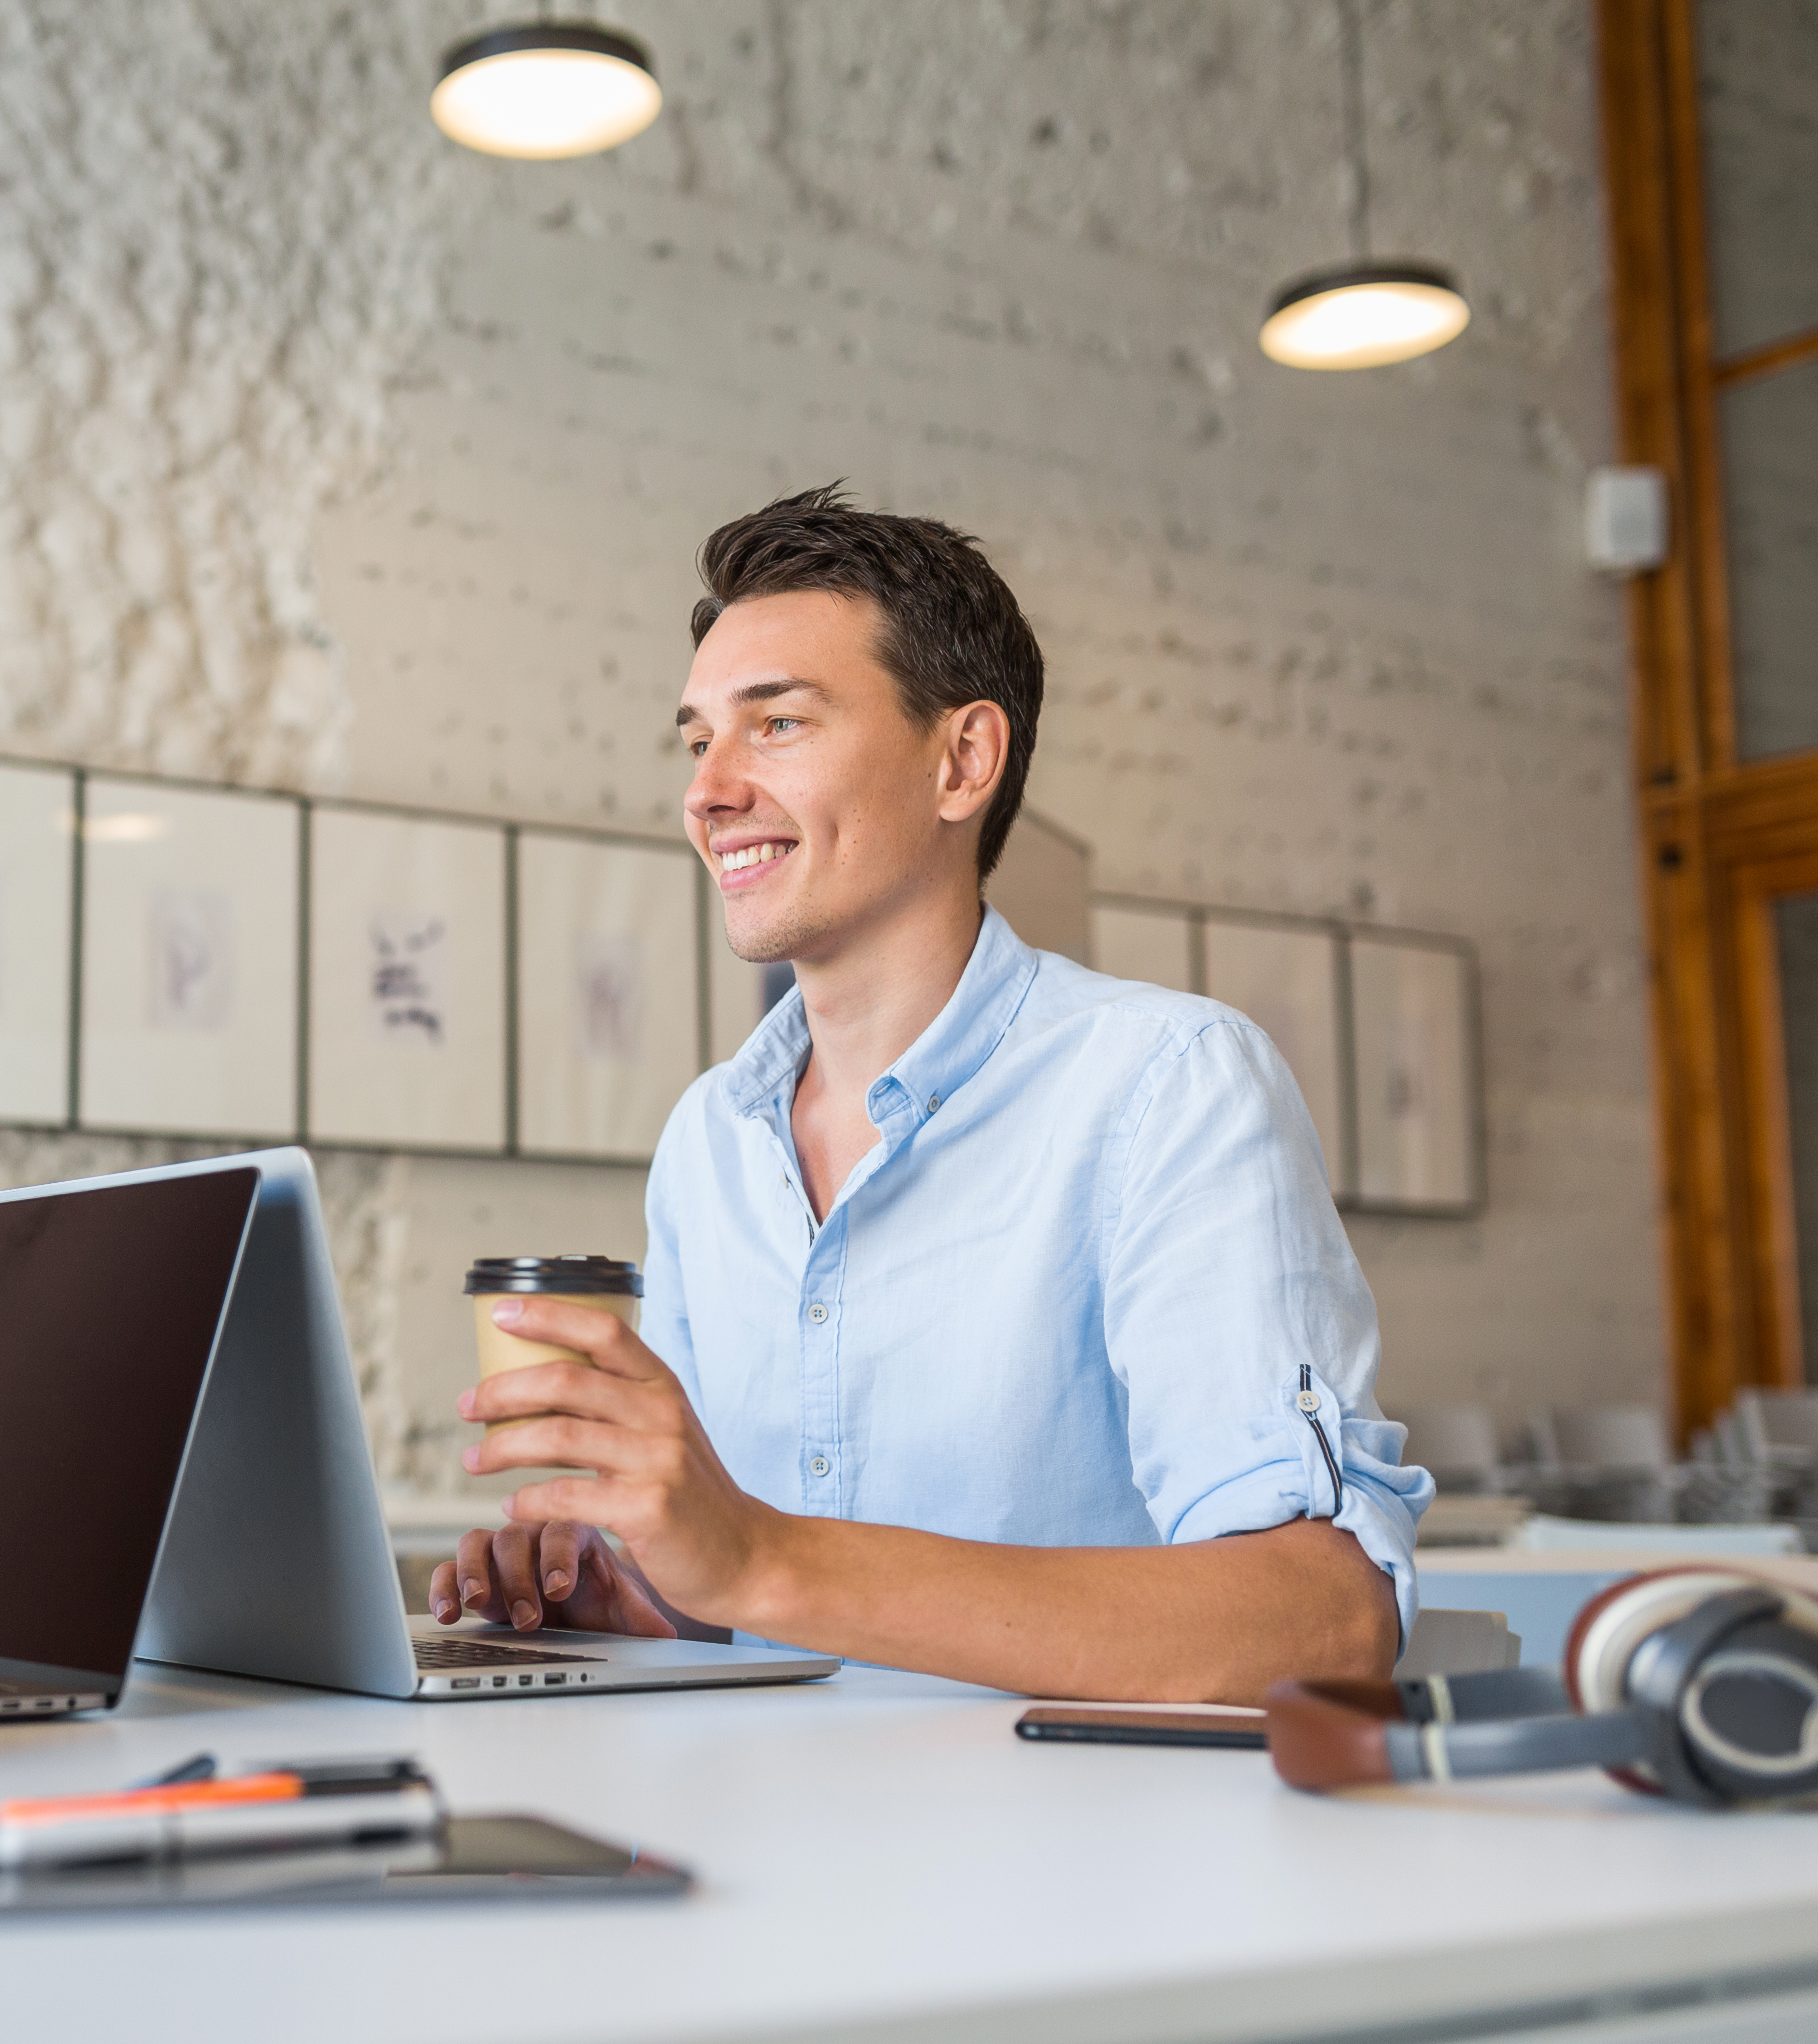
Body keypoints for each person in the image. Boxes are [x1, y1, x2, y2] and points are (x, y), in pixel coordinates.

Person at [431, 485, 1430, 1704]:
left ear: (962, 761)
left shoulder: (1166, 1086)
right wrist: (651, 1608)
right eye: (698, 742)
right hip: (763, 1859)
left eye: (778, 725)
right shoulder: (711, 1139)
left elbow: (1323, 1623)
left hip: (1072, 1867)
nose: (710, 791)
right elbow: (751, 1608)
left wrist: (761, 1560)